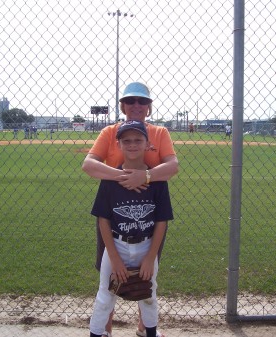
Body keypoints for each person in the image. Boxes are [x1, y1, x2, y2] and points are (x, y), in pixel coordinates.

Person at [82, 82, 178, 337]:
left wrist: (144, 177)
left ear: (148, 107)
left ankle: (144, 327)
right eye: (131, 101)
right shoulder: (110, 132)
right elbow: (89, 165)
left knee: (144, 279)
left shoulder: (159, 133)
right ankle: (105, 328)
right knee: (112, 278)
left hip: (151, 214)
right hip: (114, 214)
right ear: (123, 105)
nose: (137, 105)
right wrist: (123, 177)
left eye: (142, 101)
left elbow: (173, 166)